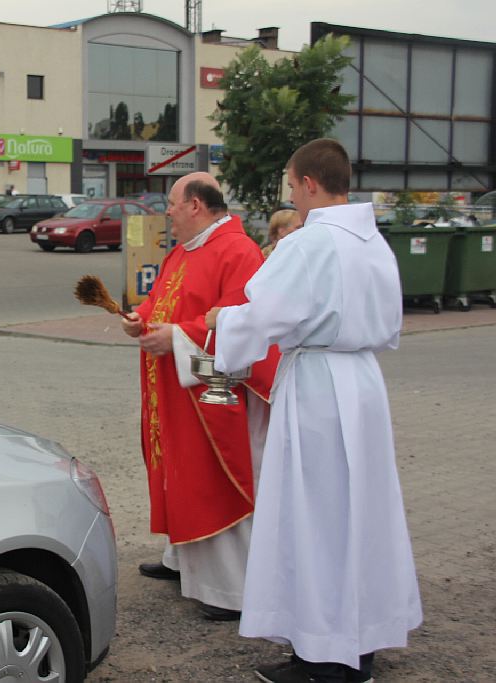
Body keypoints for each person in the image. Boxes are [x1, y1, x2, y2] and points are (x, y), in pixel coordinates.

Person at [206, 139, 422, 683]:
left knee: (317, 517)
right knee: (361, 517)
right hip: (363, 382)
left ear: (308, 183)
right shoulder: (374, 242)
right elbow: (392, 322)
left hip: (319, 387)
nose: (291, 196)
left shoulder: (308, 243)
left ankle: (324, 659)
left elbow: (261, 313)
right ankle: (358, 647)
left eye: (290, 184)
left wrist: (220, 324)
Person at [120, 172, 277, 621]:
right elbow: (160, 302)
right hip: (176, 387)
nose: (166, 212)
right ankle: (182, 560)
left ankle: (230, 590)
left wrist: (177, 339)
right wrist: (140, 318)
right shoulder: (182, 252)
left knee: (213, 475)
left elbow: (241, 325)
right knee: (179, 470)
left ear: (195, 205)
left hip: (213, 390)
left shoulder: (238, 251)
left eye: (171, 203)